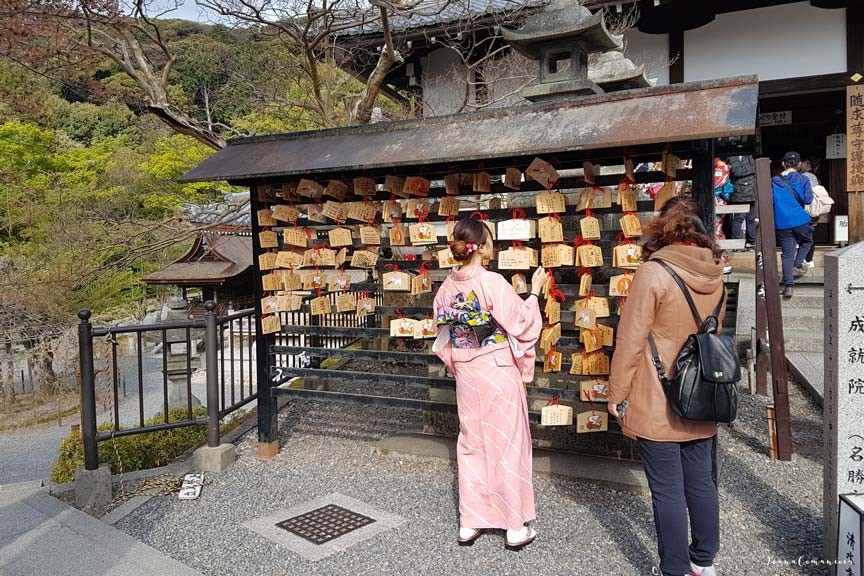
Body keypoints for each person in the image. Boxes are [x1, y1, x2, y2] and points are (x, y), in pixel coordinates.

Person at [607, 198, 724, 576]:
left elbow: (630, 340)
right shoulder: (715, 273)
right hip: (701, 391)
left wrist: (616, 394)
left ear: (661, 230)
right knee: (701, 481)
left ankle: (674, 568)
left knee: (667, 489)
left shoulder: (653, 272)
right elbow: (712, 335)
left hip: (656, 394)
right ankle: (703, 561)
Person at [432, 218, 547, 550]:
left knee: (472, 442)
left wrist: (459, 361)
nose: (493, 246)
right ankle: (514, 526)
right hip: (496, 370)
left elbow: (442, 333)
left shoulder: (446, 288)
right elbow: (522, 323)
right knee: (507, 443)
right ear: (481, 247)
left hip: (468, 373)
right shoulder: (491, 281)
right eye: (491, 241)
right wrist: (534, 292)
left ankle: (470, 521)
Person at [772, 151, 814, 299]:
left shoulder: (773, 181)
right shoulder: (803, 179)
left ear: (783, 164)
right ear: (799, 164)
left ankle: (788, 286)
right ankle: (797, 264)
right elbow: (808, 200)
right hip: (800, 220)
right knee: (807, 241)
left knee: (787, 253)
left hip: (782, 222)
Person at [798, 157, 821, 269]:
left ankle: (804, 259)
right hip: (814, 209)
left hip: (804, 209)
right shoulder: (813, 177)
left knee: (803, 236)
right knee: (809, 235)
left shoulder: (803, 177)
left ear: (805, 163)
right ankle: (809, 260)